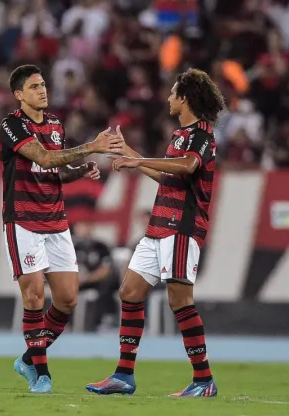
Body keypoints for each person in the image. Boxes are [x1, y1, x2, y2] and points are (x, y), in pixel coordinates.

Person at [86, 68, 226, 398]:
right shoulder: (180, 136)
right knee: (130, 292)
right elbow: (168, 178)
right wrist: (129, 154)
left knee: (180, 300)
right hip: (158, 227)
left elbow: (188, 167)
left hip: (182, 227)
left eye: (173, 93)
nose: (168, 98)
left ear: (186, 98)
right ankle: (123, 376)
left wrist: (139, 160)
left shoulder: (202, 135)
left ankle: (204, 380)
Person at [0, 64, 123, 393]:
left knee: (67, 300)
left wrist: (80, 169)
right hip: (23, 219)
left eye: (43, 84)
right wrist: (92, 146)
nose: (42, 90)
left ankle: (28, 357)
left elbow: (54, 169)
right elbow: (43, 156)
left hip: (55, 221)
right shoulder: (11, 125)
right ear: (19, 95)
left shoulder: (54, 124)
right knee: (34, 295)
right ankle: (41, 373)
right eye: (35, 87)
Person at [73, 220, 120, 331]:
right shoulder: (73, 247)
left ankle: (106, 319)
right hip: (77, 282)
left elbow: (105, 269)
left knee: (107, 283)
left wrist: (88, 278)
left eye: (86, 226)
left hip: (96, 282)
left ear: (91, 228)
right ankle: (64, 321)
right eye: (80, 227)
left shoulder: (101, 246)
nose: (83, 230)